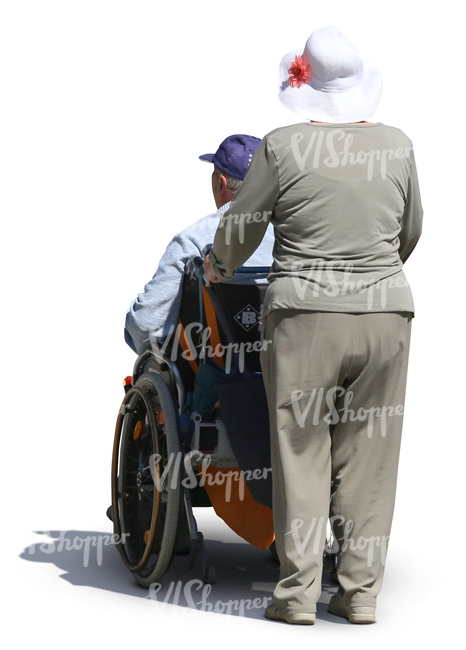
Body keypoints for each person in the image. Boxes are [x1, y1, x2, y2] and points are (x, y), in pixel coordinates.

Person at [204, 26, 423, 625]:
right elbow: (409, 233)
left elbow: (241, 227)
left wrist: (218, 266)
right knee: (371, 458)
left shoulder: (281, 146)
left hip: (303, 317)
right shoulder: (398, 145)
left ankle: (297, 596)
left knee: (301, 452)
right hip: (386, 315)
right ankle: (359, 594)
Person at [124, 134, 274, 356]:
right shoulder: (299, 239)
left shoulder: (193, 241)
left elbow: (146, 326)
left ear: (220, 183)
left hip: (215, 381)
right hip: (292, 374)